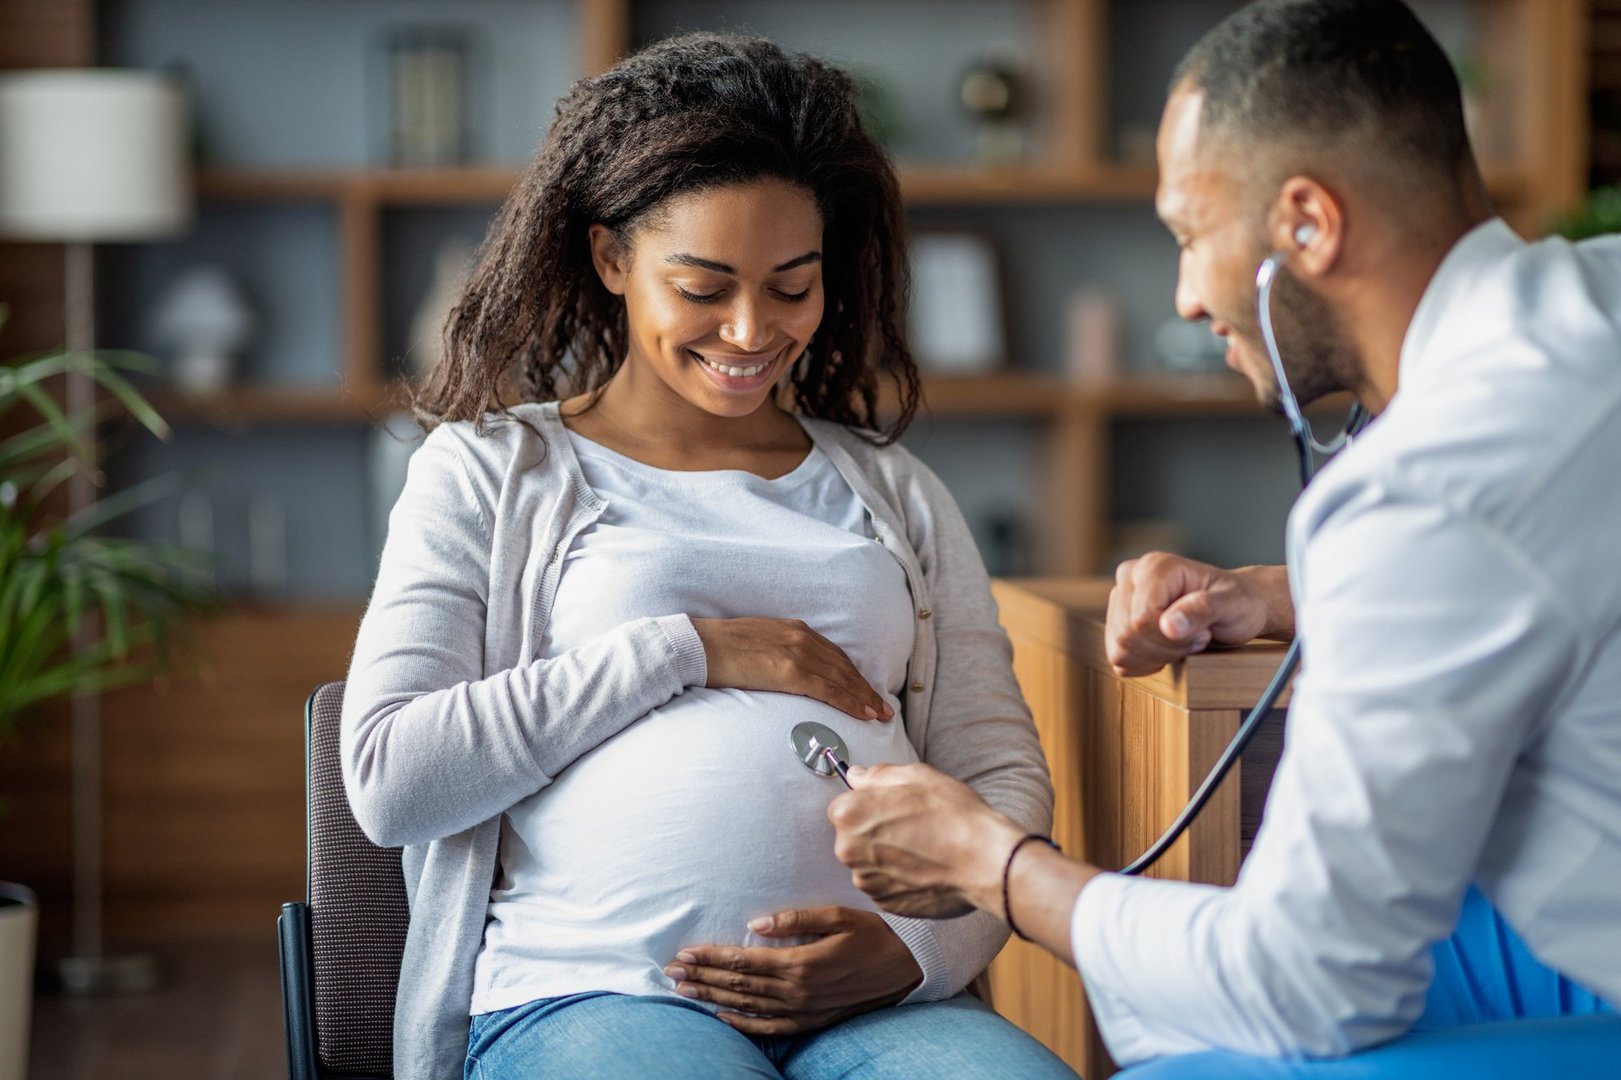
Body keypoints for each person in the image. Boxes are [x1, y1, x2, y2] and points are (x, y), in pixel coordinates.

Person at [825, 1, 1621, 1075]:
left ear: (1305, 223)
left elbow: (1307, 987)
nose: (1187, 297)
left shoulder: (1426, 491)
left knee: (1174, 1050)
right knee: (1168, 1001)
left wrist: (991, 865)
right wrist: (1288, 593)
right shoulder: (1593, 297)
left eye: (1189, 236)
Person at [341, 32, 1075, 1080]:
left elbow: (993, 770)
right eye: (704, 285)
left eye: (790, 285)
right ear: (611, 260)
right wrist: (688, 650)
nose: (749, 329)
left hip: (883, 1008)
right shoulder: (491, 472)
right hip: (591, 994)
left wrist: (917, 952)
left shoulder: (892, 488)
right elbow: (390, 777)